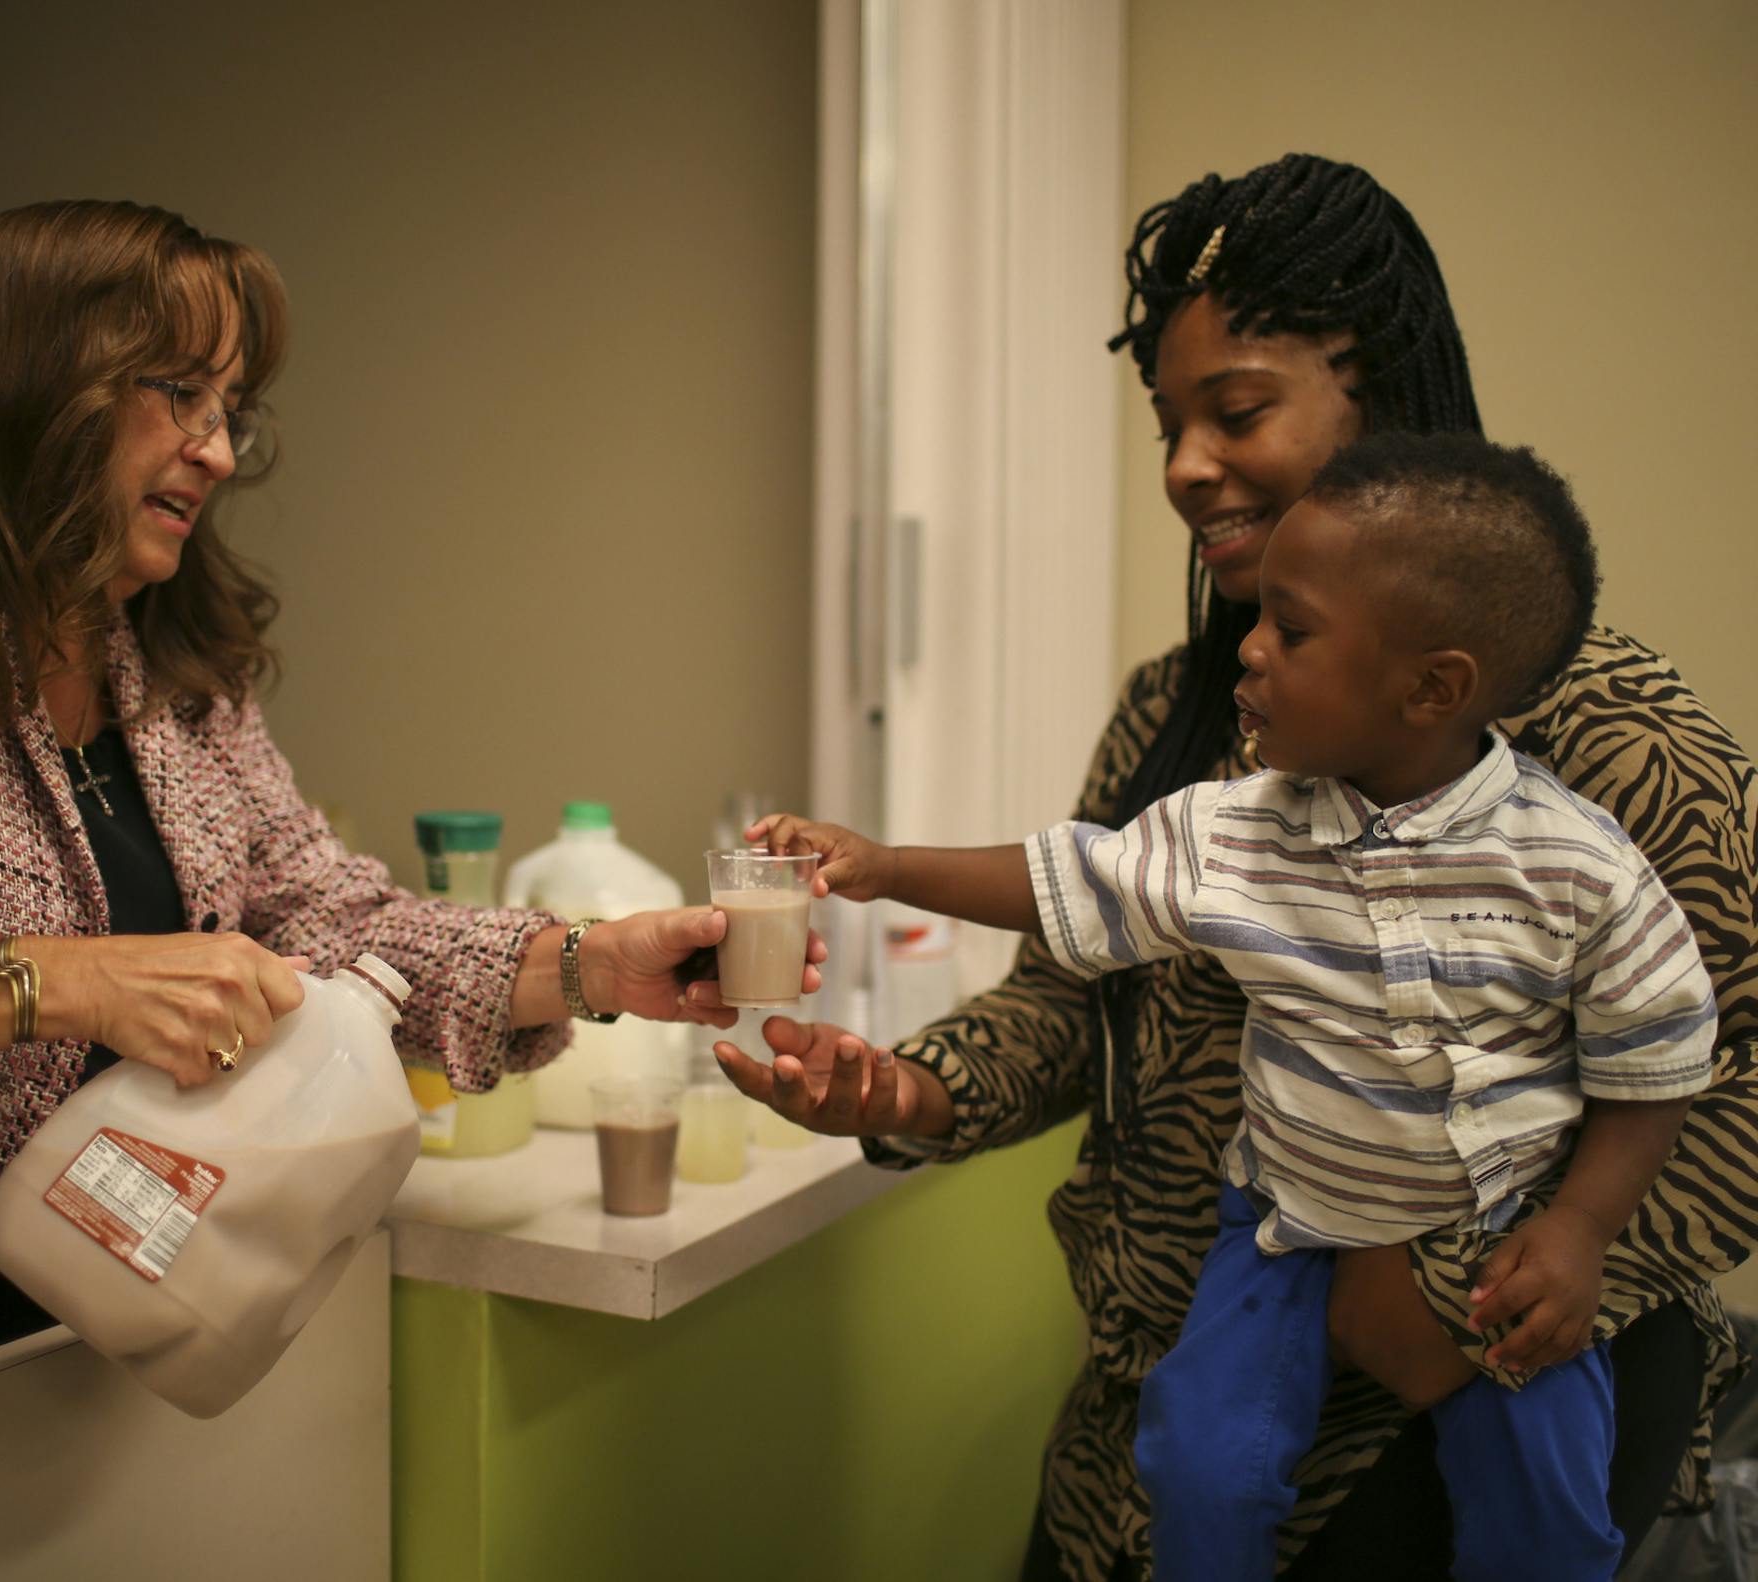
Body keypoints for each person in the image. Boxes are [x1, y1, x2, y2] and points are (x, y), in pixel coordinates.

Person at [0, 199, 815, 1477]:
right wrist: (51, 979)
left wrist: (589, 962)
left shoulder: (166, 668)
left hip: (63, 1373)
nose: (220, 450)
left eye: (230, 406)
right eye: (178, 393)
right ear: (34, 386)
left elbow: (333, 920)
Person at [713, 154, 1758, 1580]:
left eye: (1238, 408)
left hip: (1435, 1431)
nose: (1185, 464)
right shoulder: (1180, 711)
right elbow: (1074, 991)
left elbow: (1727, 1065)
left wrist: (1444, 1301)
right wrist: (919, 1086)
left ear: (1379, 394)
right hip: (1158, 1438)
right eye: (1167, 421)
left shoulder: (1602, 739)